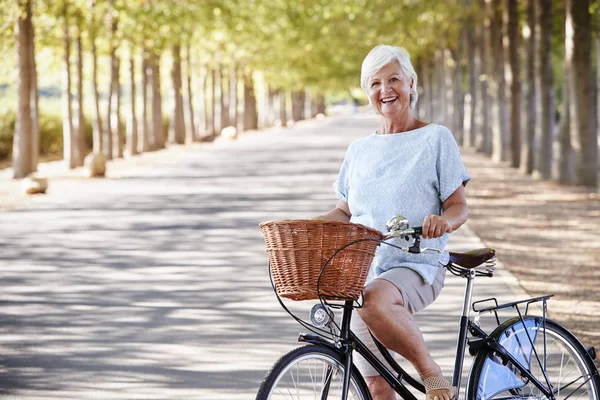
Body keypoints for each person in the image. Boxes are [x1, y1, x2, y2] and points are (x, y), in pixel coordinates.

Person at [315, 45, 470, 400]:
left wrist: (443, 223)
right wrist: (309, 225)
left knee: (375, 301)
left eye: (394, 79)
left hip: (417, 262)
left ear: (411, 84)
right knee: (376, 385)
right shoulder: (359, 150)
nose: (385, 89)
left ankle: (431, 373)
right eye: (375, 83)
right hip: (365, 270)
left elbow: (459, 206)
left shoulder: (435, 139)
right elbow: (344, 211)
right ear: (367, 93)